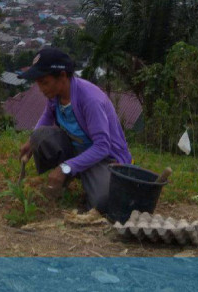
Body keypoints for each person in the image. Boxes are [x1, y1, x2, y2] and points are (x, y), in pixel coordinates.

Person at [18, 47, 132, 214]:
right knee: (39, 136)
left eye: (44, 82)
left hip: (104, 158)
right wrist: (31, 142)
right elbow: (46, 117)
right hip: (77, 149)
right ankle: (67, 177)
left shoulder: (90, 100)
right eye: (38, 83)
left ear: (63, 76)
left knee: (102, 202)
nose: (41, 88)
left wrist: (66, 167)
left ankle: (77, 174)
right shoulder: (55, 95)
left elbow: (102, 147)